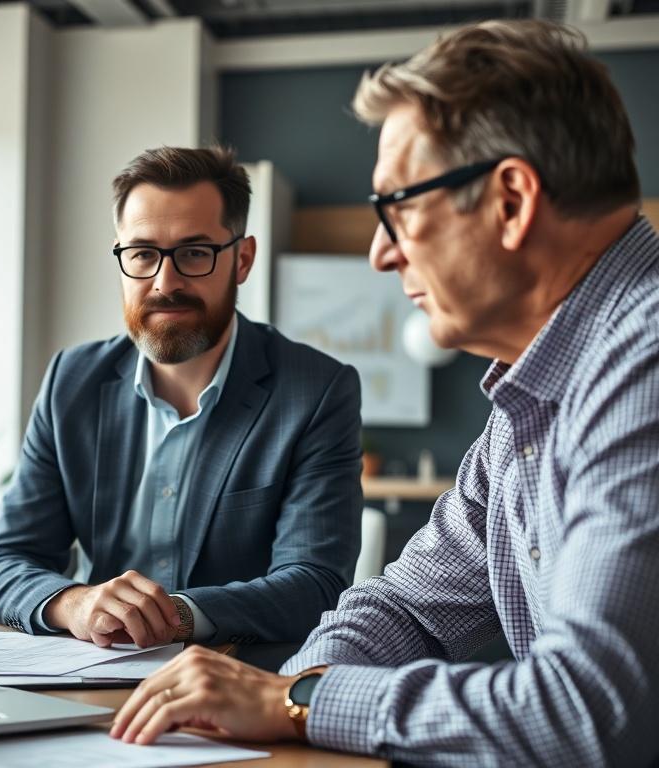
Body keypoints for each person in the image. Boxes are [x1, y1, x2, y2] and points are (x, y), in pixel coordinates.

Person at [111, 20, 659, 767]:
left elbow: (587, 715)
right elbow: (404, 608)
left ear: (509, 200)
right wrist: (284, 694)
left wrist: (293, 702)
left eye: (396, 207)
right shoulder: (530, 402)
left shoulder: (643, 364)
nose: (380, 252)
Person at [0, 146, 362, 649]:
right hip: (92, 672)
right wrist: (77, 604)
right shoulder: (72, 380)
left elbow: (315, 585)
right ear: (120, 257)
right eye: (142, 253)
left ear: (241, 260)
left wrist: (176, 615)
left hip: (234, 683)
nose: (165, 282)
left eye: (195, 253)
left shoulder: (315, 391)